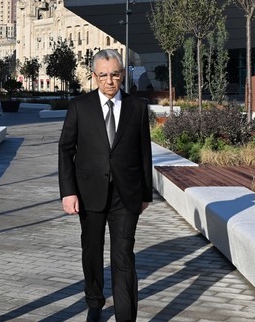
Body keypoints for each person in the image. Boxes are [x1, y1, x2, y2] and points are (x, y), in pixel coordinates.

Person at [58, 49, 153, 322]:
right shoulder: (80, 106)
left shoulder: (136, 106)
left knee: (123, 255)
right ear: (94, 76)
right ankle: (95, 303)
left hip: (126, 195)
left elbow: (143, 151)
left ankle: (125, 315)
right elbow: (65, 149)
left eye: (115, 74)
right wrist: (68, 192)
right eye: (103, 75)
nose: (110, 81)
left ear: (122, 74)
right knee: (92, 252)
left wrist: (145, 193)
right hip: (89, 195)